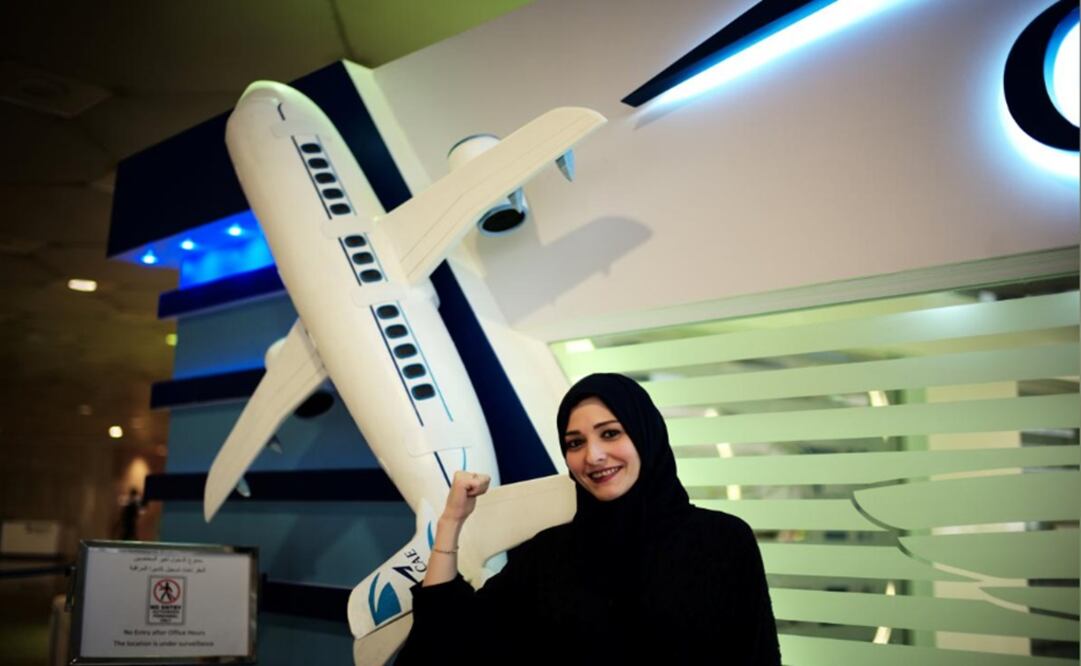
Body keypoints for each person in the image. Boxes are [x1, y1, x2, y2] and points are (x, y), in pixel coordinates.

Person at [397, 373, 780, 664]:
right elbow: (446, 639)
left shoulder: (722, 539)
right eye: (575, 443)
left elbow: (757, 654)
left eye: (610, 434)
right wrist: (451, 522)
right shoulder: (548, 555)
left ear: (645, 436)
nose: (592, 456)